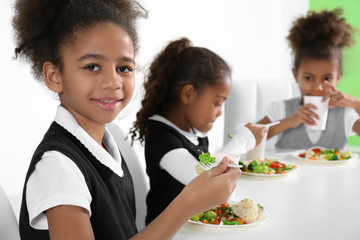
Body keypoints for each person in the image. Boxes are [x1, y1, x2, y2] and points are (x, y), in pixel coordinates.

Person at [13, 0, 241, 239]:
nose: (113, 82)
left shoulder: (105, 147)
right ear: (54, 76)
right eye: (92, 66)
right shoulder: (58, 167)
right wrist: (187, 203)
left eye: (123, 68)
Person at [130, 38, 268, 224]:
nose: (220, 113)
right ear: (188, 94)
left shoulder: (194, 134)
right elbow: (202, 179)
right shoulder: (161, 138)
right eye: (217, 103)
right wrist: (242, 140)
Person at [258, 8, 360, 149]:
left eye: (327, 79)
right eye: (308, 77)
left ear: (338, 78)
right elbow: (248, 138)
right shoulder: (280, 109)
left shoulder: (345, 114)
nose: (317, 87)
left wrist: (356, 104)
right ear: (295, 76)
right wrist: (289, 121)